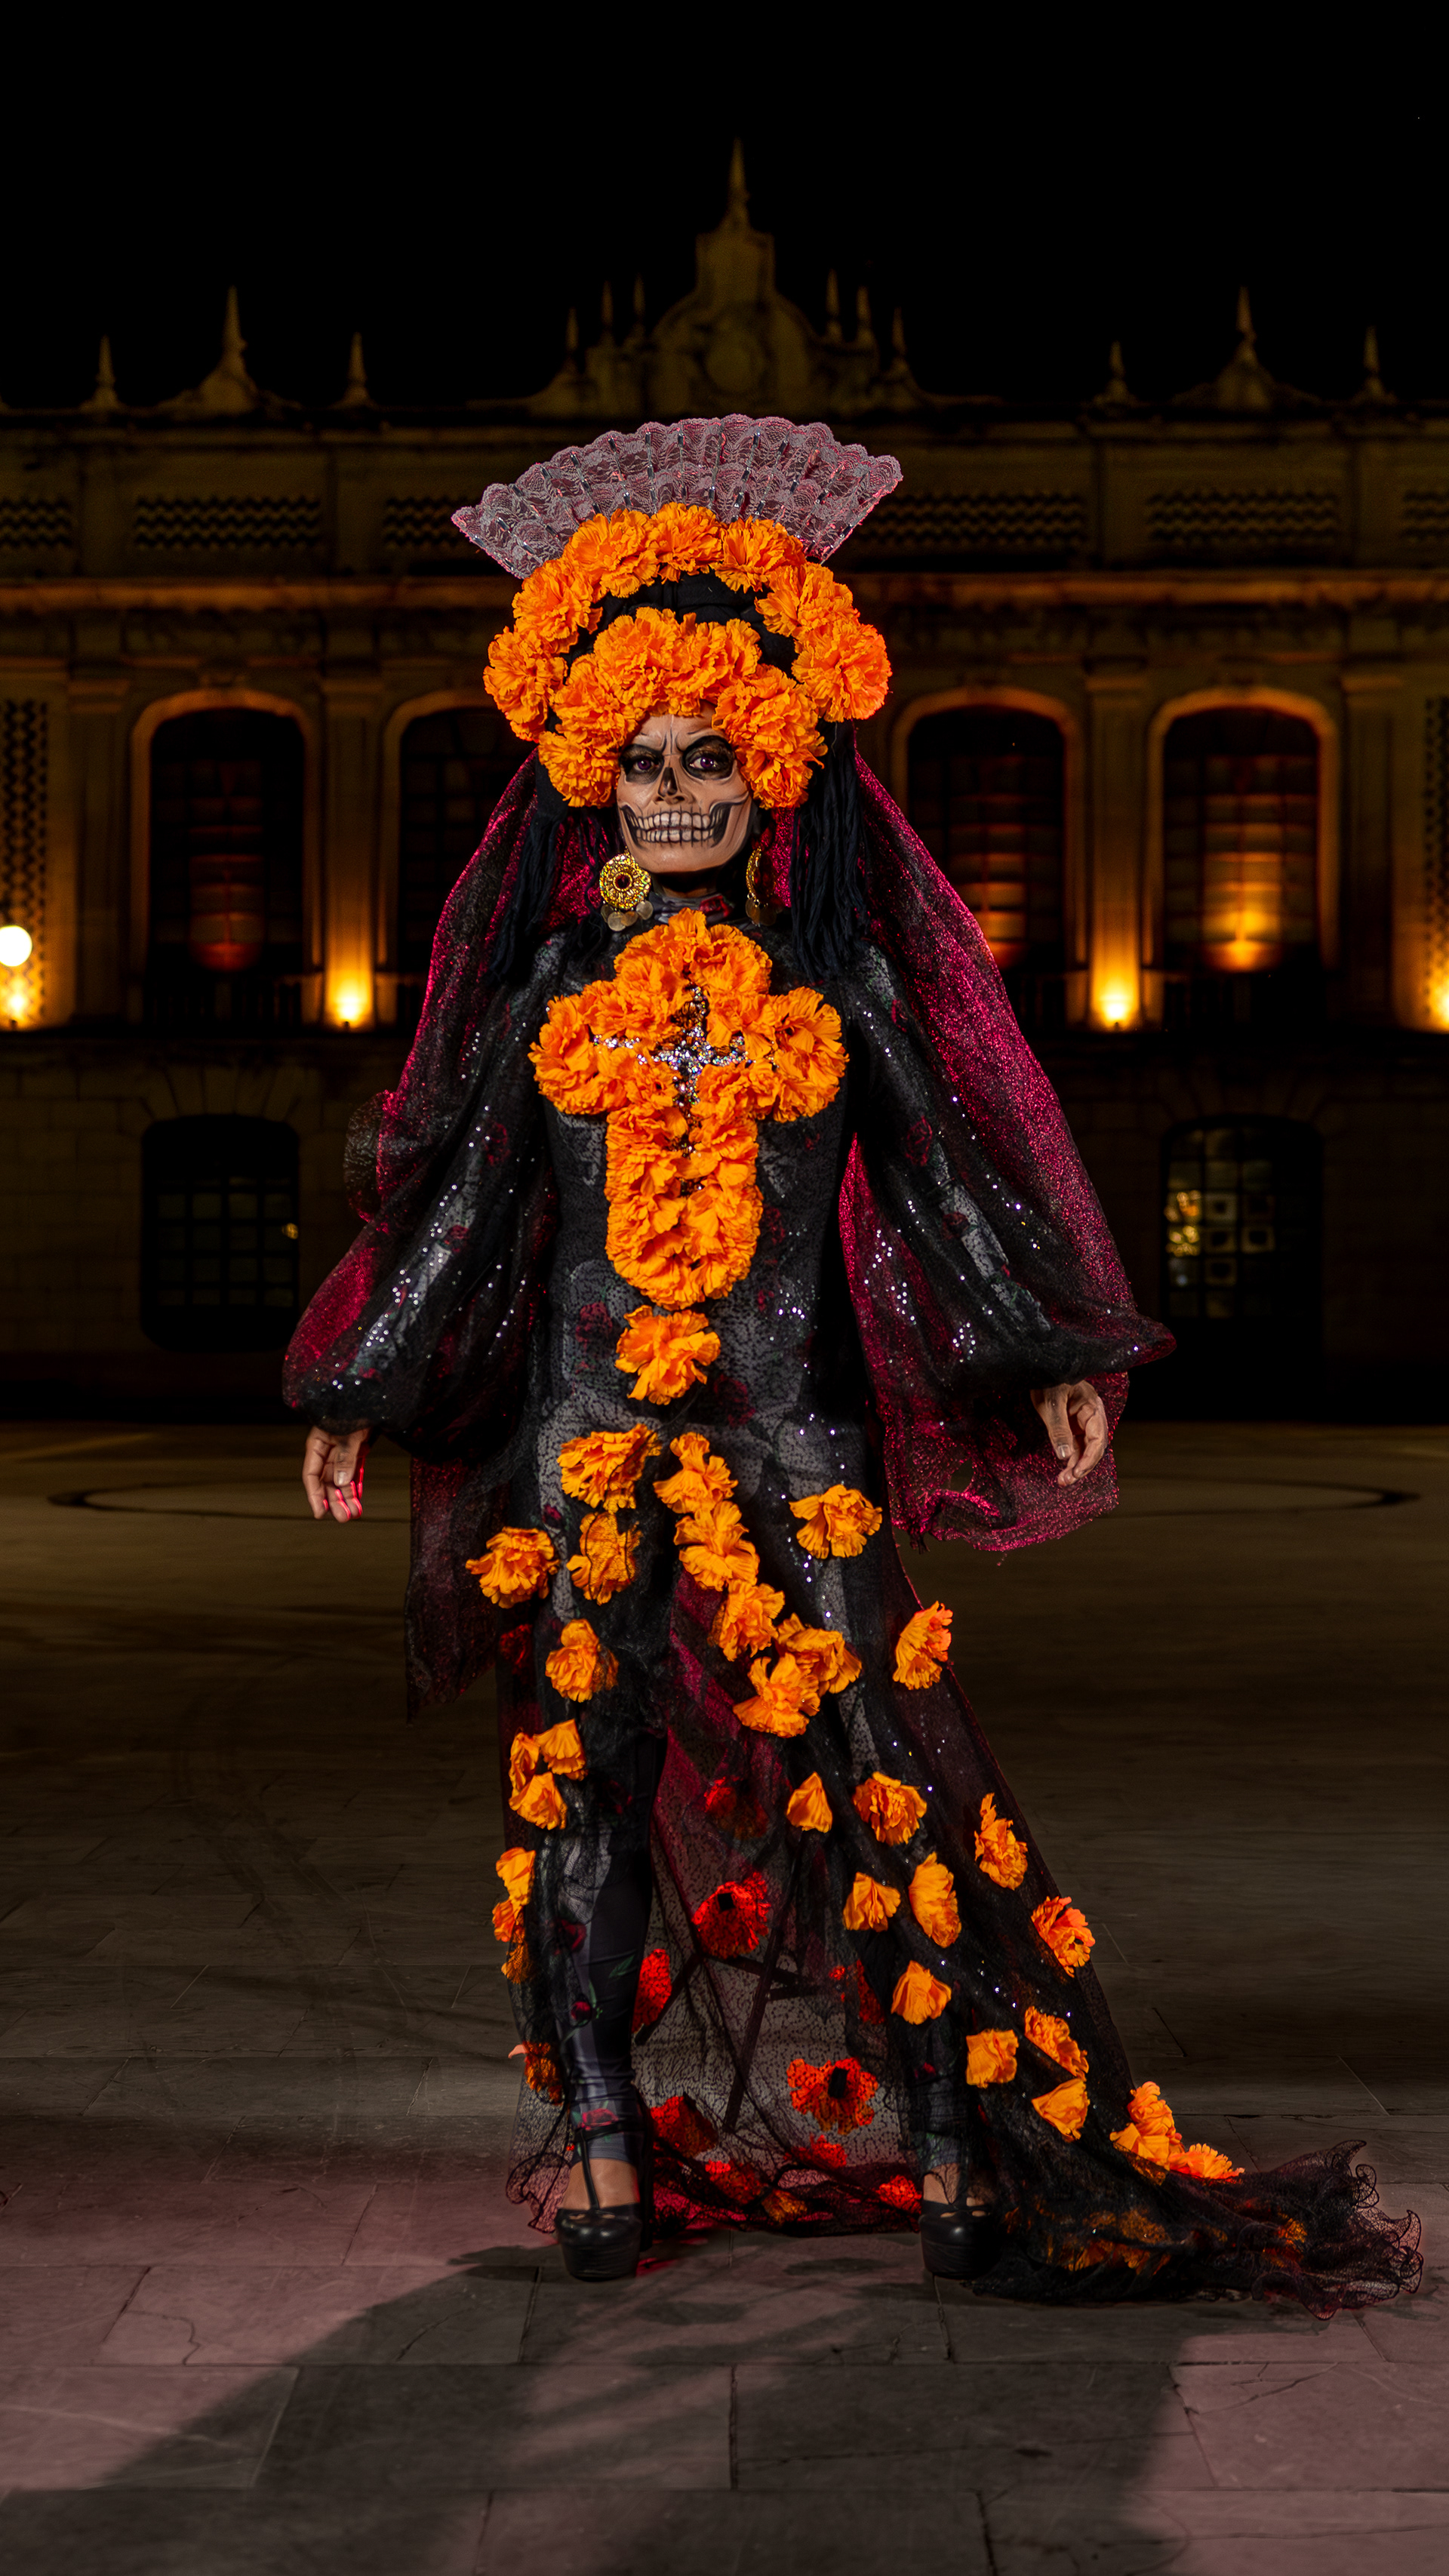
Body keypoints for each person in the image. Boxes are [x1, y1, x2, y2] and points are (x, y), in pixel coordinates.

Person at [288, 416, 1418, 2311]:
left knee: (885, 1761)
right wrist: (356, 1386)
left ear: (771, 766)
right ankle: (596, 2119)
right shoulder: (552, 991)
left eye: (707, 758)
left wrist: (1043, 1343)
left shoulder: (837, 984)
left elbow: (950, 1178)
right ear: (592, 776)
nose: (673, 794)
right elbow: (466, 1205)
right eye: (643, 762)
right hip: (583, 1440)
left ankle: (959, 2112)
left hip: (795, 1432)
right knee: (586, 1775)